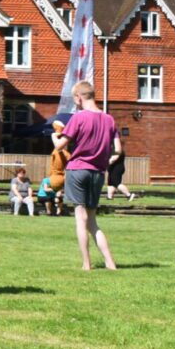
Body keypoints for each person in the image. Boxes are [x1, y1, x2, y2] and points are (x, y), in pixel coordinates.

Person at [54, 81, 120, 271]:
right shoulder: (109, 119)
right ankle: (110, 262)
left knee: (80, 218)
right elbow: (118, 149)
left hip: (77, 170)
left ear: (78, 97)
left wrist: (54, 137)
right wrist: (105, 159)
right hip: (97, 173)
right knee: (92, 221)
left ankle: (86, 264)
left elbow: (60, 146)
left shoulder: (79, 117)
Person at [46, 120, 69, 216]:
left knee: (56, 194)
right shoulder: (65, 153)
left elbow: (58, 147)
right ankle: (58, 210)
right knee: (58, 194)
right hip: (59, 177)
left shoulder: (60, 152)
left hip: (56, 177)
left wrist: (56, 134)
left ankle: (56, 209)